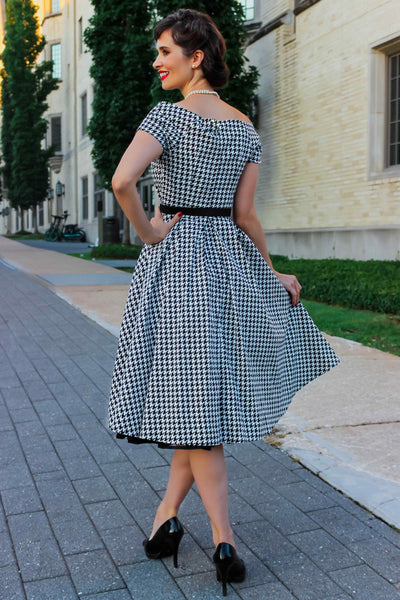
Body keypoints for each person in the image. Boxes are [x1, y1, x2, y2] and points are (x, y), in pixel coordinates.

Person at [108, 8, 339, 596]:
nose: (157, 62)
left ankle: (222, 538)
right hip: (229, 267)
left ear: (196, 57)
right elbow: (247, 216)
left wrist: (150, 232)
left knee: (192, 410)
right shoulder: (244, 128)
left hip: (180, 266)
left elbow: (121, 181)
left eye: (165, 52)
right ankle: (165, 524)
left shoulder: (169, 116)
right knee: (196, 405)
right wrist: (272, 272)